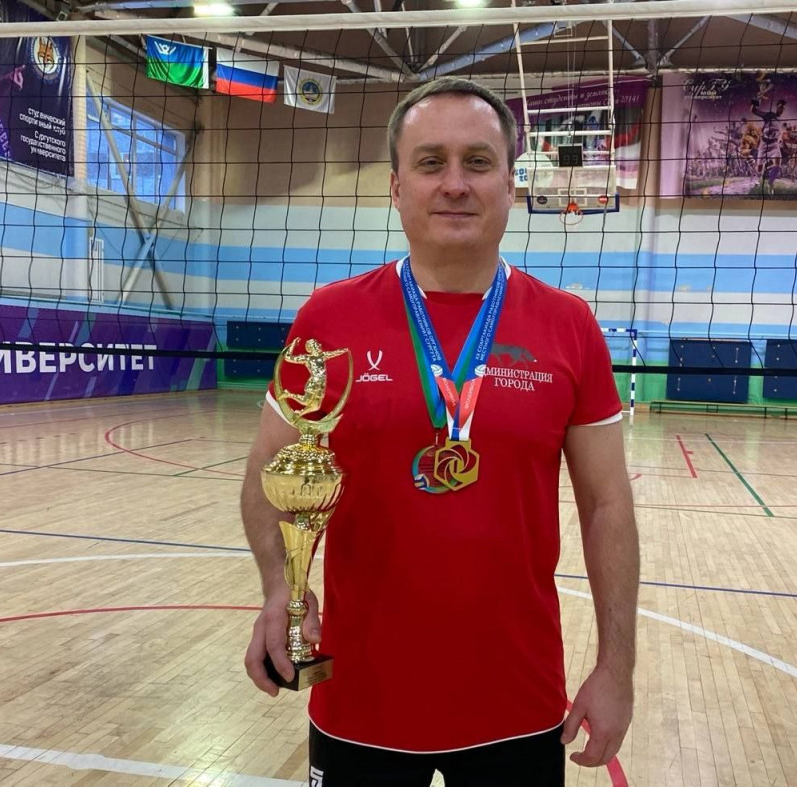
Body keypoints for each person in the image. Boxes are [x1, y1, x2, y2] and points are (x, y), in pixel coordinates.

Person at [241, 76, 639, 786]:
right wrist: (280, 588)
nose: (455, 183)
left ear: (511, 184)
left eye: (477, 162)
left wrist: (617, 666)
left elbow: (607, 504)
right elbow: (268, 473)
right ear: (397, 187)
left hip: (517, 702)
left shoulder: (569, 325)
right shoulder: (328, 319)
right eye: (431, 162)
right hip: (360, 700)